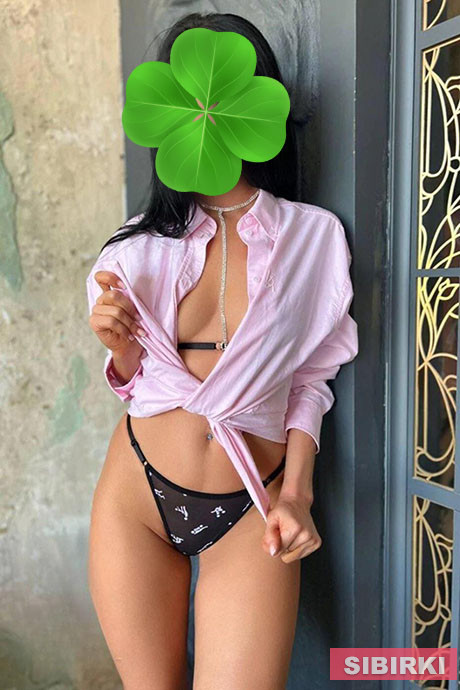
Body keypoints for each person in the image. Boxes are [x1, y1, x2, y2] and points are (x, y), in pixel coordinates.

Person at [85, 11, 359, 690]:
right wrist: (119, 348)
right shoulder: (133, 249)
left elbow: (312, 377)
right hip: (136, 497)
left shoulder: (313, 239)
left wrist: (297, 494)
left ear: (256, 100)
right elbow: (135, 381)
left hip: (252, 506)